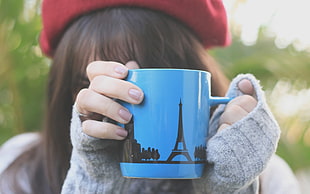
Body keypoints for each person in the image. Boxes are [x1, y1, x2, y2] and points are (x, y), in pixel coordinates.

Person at [0, 0, 301, 193]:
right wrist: (94, 180)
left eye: (147, 89)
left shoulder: (265, 176)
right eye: (92, 84)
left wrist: (230, 188)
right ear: (67, 88)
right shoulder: (20, 166)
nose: (120, 101)